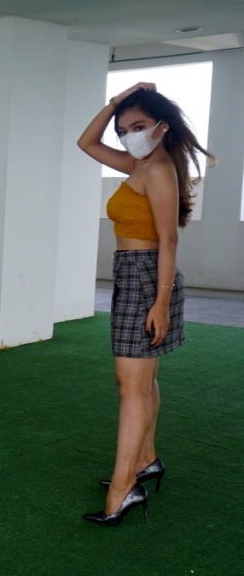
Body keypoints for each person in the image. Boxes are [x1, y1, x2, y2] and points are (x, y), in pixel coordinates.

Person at [75, 82, 215, 525]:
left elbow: (169, 240)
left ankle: (124, 488)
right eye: (123, 129)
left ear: (162, 127)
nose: (128, 136)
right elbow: (86, 143)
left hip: (146, 278)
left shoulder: (157, 171)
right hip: (133, 274)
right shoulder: (141, 164)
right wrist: (116, 102)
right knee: (144, 380)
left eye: (138, 126)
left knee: (130, 386)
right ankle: (145, 459)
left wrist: (160, 302)